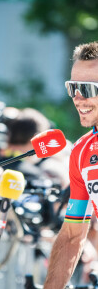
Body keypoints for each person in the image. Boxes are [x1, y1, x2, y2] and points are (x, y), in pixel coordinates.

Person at [44, 41, 98, 288]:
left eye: (86, 89)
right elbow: (72, 236)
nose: (77, 98)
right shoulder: (82, 151)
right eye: (73, 87)